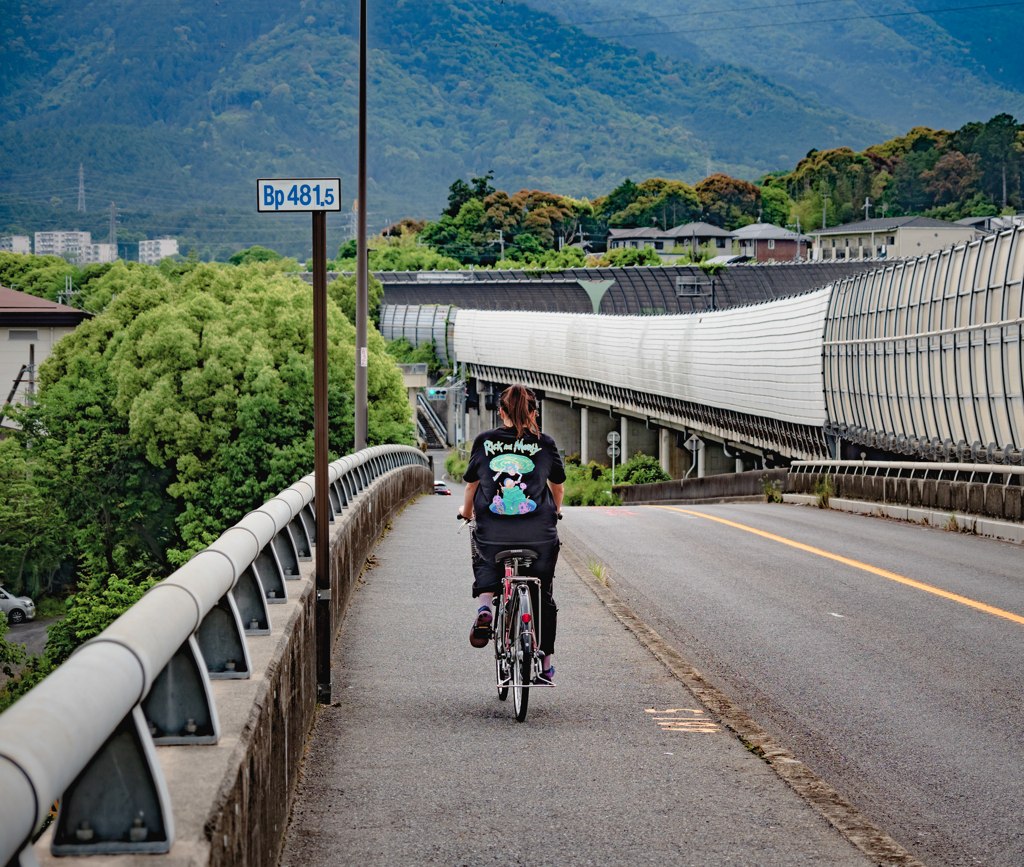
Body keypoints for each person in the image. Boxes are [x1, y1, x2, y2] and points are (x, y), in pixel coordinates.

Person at [458, 385, 565, 684]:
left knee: (484, 553)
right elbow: (557, 487)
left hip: (494, 535)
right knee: (543, 591)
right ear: (534, 413)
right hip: (539, 536)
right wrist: (555, 512)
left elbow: (471, 486)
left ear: (501, 411)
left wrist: (466, 513)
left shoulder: (484, 441)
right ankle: (545, 666)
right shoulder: (545, 443)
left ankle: (485, 608)